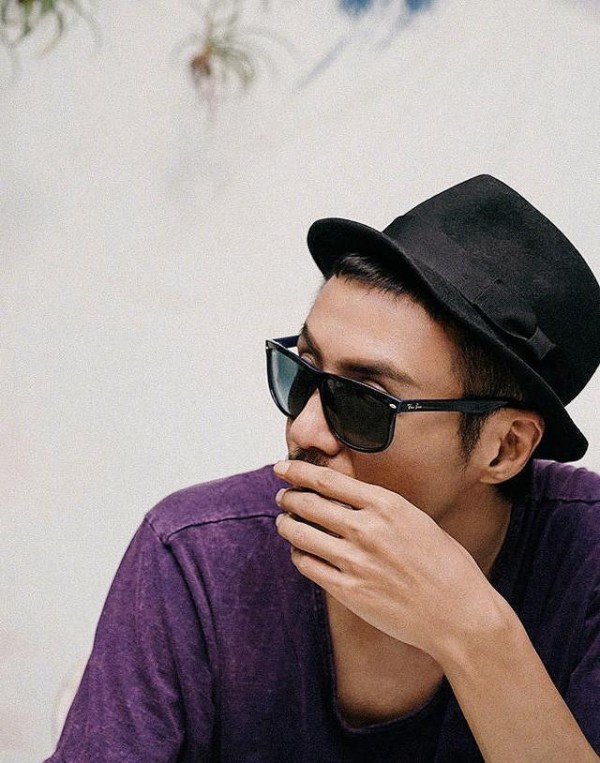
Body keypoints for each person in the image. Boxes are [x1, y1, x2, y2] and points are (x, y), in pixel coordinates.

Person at [46, 175, 600, 762]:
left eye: (364, 400)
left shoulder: (586, 561)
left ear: (505, 448)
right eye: (302, 371)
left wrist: (474, 635)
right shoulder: (195, 555)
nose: (304, 431)